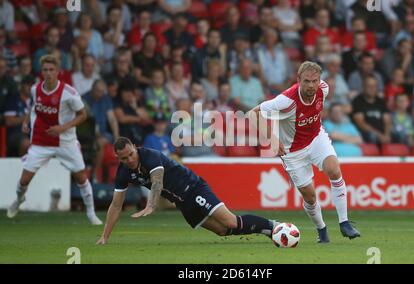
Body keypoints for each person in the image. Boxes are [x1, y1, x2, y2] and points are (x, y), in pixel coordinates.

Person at [250, 61, 360, 243]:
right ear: (298, 80)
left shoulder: (324, 89)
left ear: (319, 81)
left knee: (334, 170)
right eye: (307, 81)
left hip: (316, 138)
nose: (311, 85)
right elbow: (252, 114)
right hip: (292, 152)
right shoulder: (286, 101)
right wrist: (272, 139)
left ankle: (344, 222)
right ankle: (322, 230)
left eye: (314, 81)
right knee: (310, 197)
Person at [96, 137, 277, 245]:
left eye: (131, 154)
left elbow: (157, 180)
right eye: (124, 158)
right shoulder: (123, 172)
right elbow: (116, 205)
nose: (129, 159)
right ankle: (266, 231)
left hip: (193, 188)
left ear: (135, 148)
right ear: (118, 158)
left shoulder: (149, 156)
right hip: (182, 202)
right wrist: (105, 237)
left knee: (230, 221)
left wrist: (151, 204)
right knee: (222, 231)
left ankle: (273, 226)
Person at [6, 55, 102, 225]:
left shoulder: (69, 93)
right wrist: (26, 122)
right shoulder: (35, 89)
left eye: (51, 70)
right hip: (41, 141)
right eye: (45, 70)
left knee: (81, 177)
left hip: (66, 142)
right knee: (24, 180)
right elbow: (33, 107)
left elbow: (83, 115)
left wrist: (62, 128)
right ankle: (19, 200)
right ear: (41, 72)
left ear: (58, 72)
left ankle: (91, 213)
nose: (48, 73)